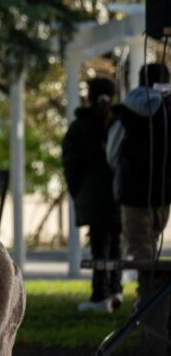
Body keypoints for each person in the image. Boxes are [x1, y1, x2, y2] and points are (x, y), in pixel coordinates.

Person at [107, 62, 171, 354]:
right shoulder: (168, 110)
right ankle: (152, 318)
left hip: (131, 193)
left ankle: (149, 318)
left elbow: (113, 151)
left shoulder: (125, 113)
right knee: (151, 253)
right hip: (163, 194)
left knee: (143, 256)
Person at [62, 76, 121, 312]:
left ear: (89, 96)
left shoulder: (80, 126)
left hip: (93, 198)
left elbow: (70, 163)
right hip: (119, 195)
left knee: (99, 247)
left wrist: (78, 191)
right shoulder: (119, 122)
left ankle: (100, 294)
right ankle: (116, 289)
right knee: (117, 244)